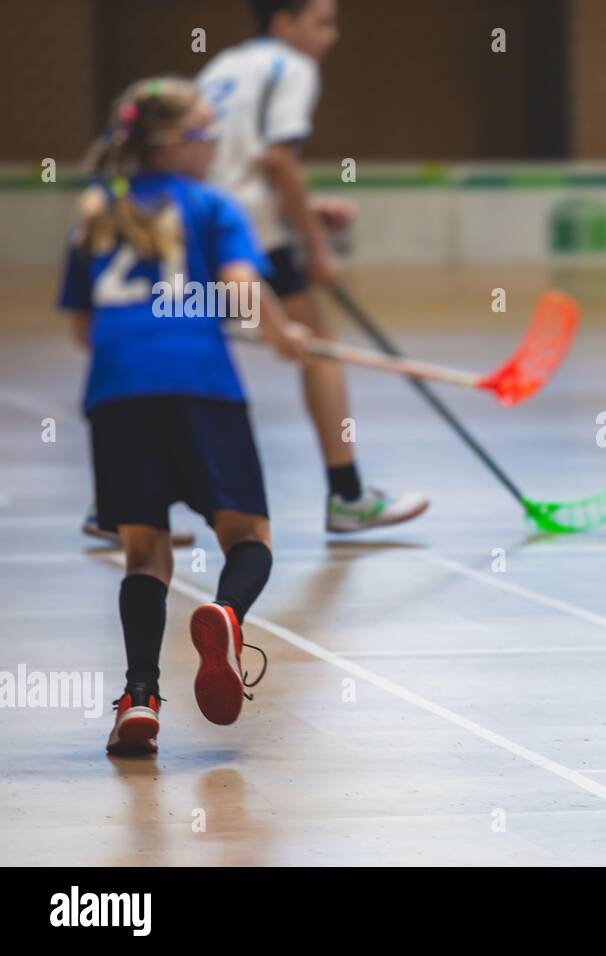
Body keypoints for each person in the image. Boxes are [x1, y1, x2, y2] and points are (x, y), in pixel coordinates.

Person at [59, 77, 311, 755]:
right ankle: (226, 616)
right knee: (246, 529)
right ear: (175, 145)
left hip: (116, 392)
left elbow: (84, 327)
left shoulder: (95, 210)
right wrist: (283, 332)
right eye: (206, 134)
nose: (215, 148)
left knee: (143, 551)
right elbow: (240, 290)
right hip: (199, 386)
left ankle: (140, 699)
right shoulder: (210, 205)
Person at [188, 0, 426, 533]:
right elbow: (275, 160)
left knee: (180, 350)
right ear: (283, 22)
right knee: (319, 345)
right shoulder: (291, 67)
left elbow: (229, 163)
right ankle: (347, 495)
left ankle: (117, 504)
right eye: (322, 22)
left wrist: (305, 212)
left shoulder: (223, 64)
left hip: (195, 222)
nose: (332, 36)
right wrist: (316, 244)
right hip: (245, 233)